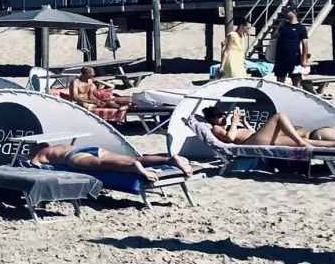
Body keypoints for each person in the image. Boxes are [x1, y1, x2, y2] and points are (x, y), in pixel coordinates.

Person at [29, 141, 192, 179]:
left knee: (102, 164)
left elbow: (35, 166)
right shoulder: (60, 145)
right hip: (88, 148)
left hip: (73, 157)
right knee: (136, 157)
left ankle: (134, 167)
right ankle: (169, 160)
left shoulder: (41, 152)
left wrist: (30, 161)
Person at [203, 105, 335, 146]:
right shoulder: (216, 128)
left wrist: (244, 122)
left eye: (222, 114)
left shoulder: (227, 126)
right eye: (219, 116)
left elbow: (252, 131)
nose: (223, 117)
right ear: (212, 119)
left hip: (255, 138)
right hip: (251, 142)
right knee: (279, 117)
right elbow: (230, 138)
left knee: (299, 140)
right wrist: (234, 122)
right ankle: (300, 142)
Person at [67, 66, 133, 115]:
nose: (94, 74)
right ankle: (127, 106)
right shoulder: (75, 82)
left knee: (114, 100)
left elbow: (91, 96)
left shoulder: (89, 81)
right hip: (83, 105)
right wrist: (93, 101)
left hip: (92, 103)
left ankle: (130, 103)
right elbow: (75, 98)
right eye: (91, 73)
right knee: (110, 102)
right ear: (85, 74)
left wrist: (97, 100)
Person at [273, 10, 310, 87]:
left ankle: (296, 95)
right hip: (281, 56)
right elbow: (273, 36)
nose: (286, 13)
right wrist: (278, 26)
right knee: (280, 78)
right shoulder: (283, 25)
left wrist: (304, 59)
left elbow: (305, 44)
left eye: (289, 11)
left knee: (295, 78)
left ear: (294, 13)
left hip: (294, 56)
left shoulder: (301, 28)